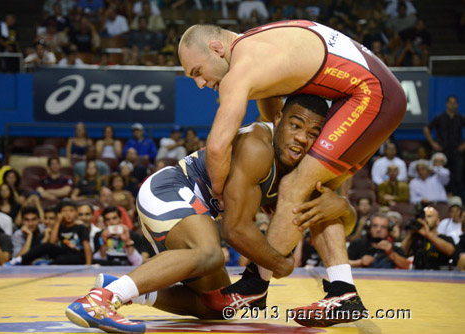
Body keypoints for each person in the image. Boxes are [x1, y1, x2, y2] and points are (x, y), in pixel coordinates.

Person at [178, 20, 406, 326]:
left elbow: (218, 148)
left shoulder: (242, 68)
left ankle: (255, 283)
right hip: (368, 91)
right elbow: (275, 123)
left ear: (217, 49)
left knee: (295, 186)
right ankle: (343, 291)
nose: (200, 83)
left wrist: (218, 195)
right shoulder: (261, 51)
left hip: (370, 93)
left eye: (197, 72)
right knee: (309, 188)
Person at [65, 95, 356, 332]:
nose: (302, 139)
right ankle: (99, 300)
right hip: (173, 187)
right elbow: (235, 231)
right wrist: (280, 265)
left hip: (197, 209)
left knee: (215, 308)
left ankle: (125, 288)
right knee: (210, 253)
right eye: (296, 126)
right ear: (278, 119)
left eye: (313, 134)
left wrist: (344, 207)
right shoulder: (257, 146)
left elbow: (343, 226)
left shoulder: (303, 167)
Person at [6, 199, 92, 265]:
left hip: (78, 255)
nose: (68, 214)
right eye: (64, 211)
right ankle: (19, 260)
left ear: (76, 213)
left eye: (71, 211)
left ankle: (47, 264)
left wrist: (88, 265)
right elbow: (52, 242)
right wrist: (58, 221)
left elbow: (86, 247)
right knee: (46, 246)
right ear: (59, 213)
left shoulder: (81, 227)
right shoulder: (60, 227)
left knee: (61, 260)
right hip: (64, 253)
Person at [423, 95, 465, 200]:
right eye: (450, 102)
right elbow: (426, 129)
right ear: (446, 104)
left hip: (457, 151)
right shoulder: (439, 117)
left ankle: (458, 200)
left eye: (454, 102)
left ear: (457, 104)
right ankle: (443, 198)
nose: (452, 105)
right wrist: (432, 143)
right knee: (441, 176)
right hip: (442, 152)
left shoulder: (460, 118)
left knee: (458, 178)